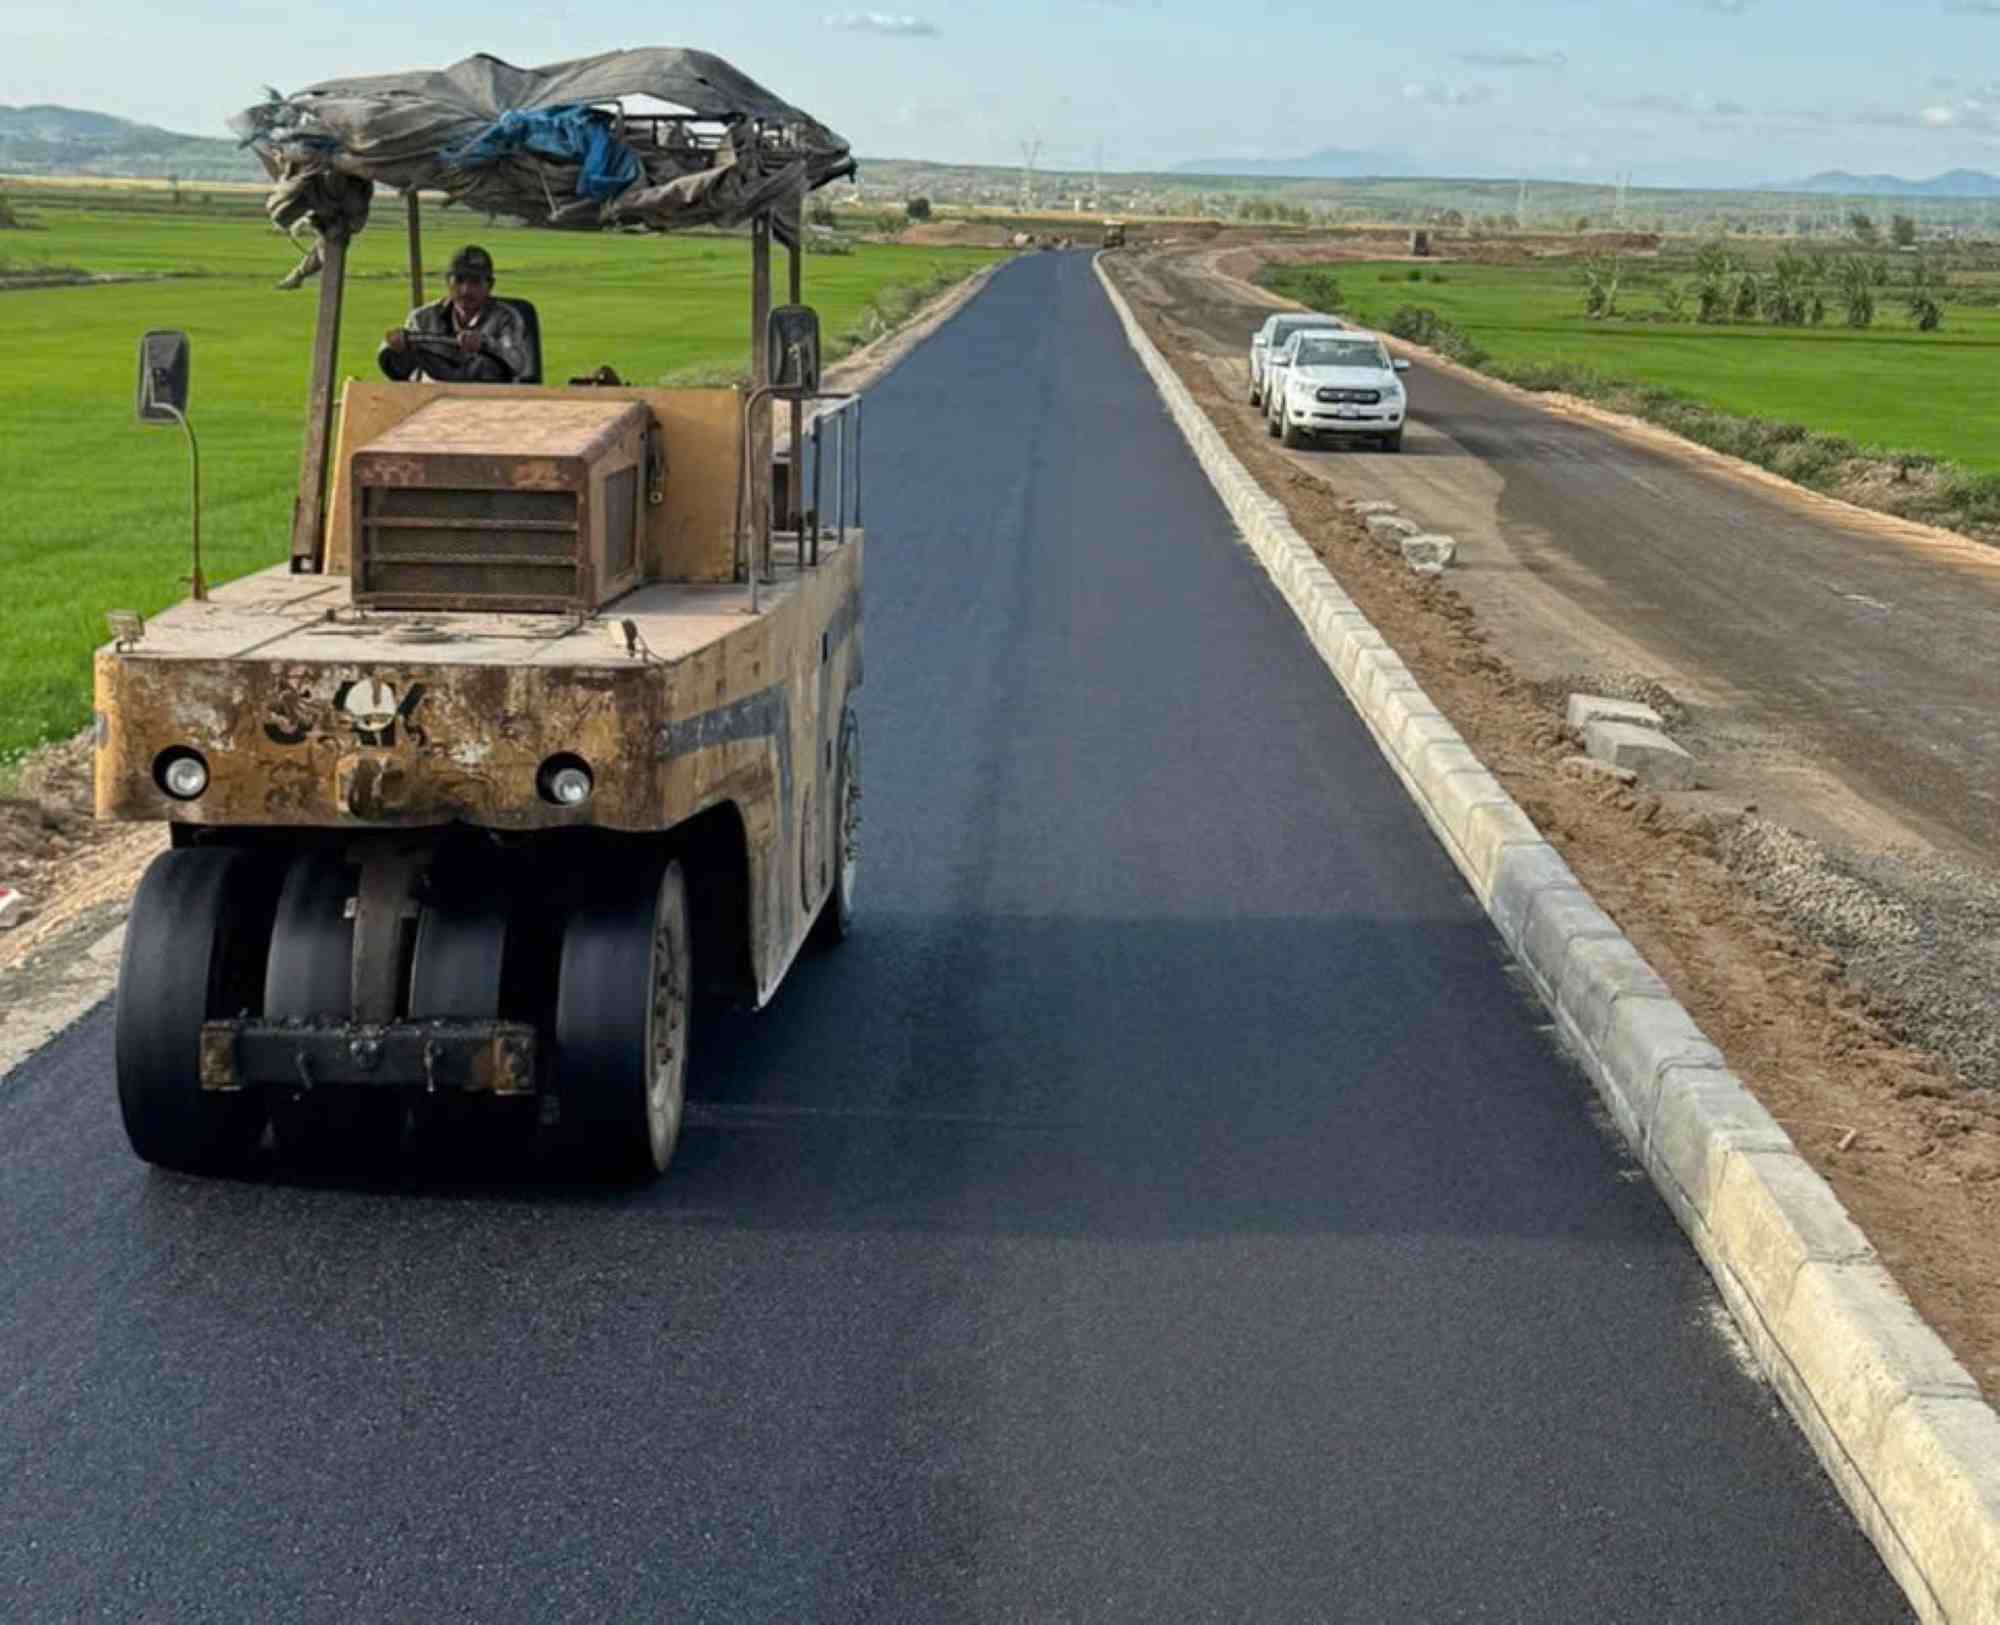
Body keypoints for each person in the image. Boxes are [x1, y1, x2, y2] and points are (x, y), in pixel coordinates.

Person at [378, 245, 532, 383]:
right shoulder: (421, 318)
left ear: (490, 285)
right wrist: (396, 349)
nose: (466, 290)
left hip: (488, 402)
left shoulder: (506, 318)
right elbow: (402, 372)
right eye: (459, 280)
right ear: (447, 282)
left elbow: (517, 363)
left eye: (475, 281)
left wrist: (485, 344)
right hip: (433, 401)